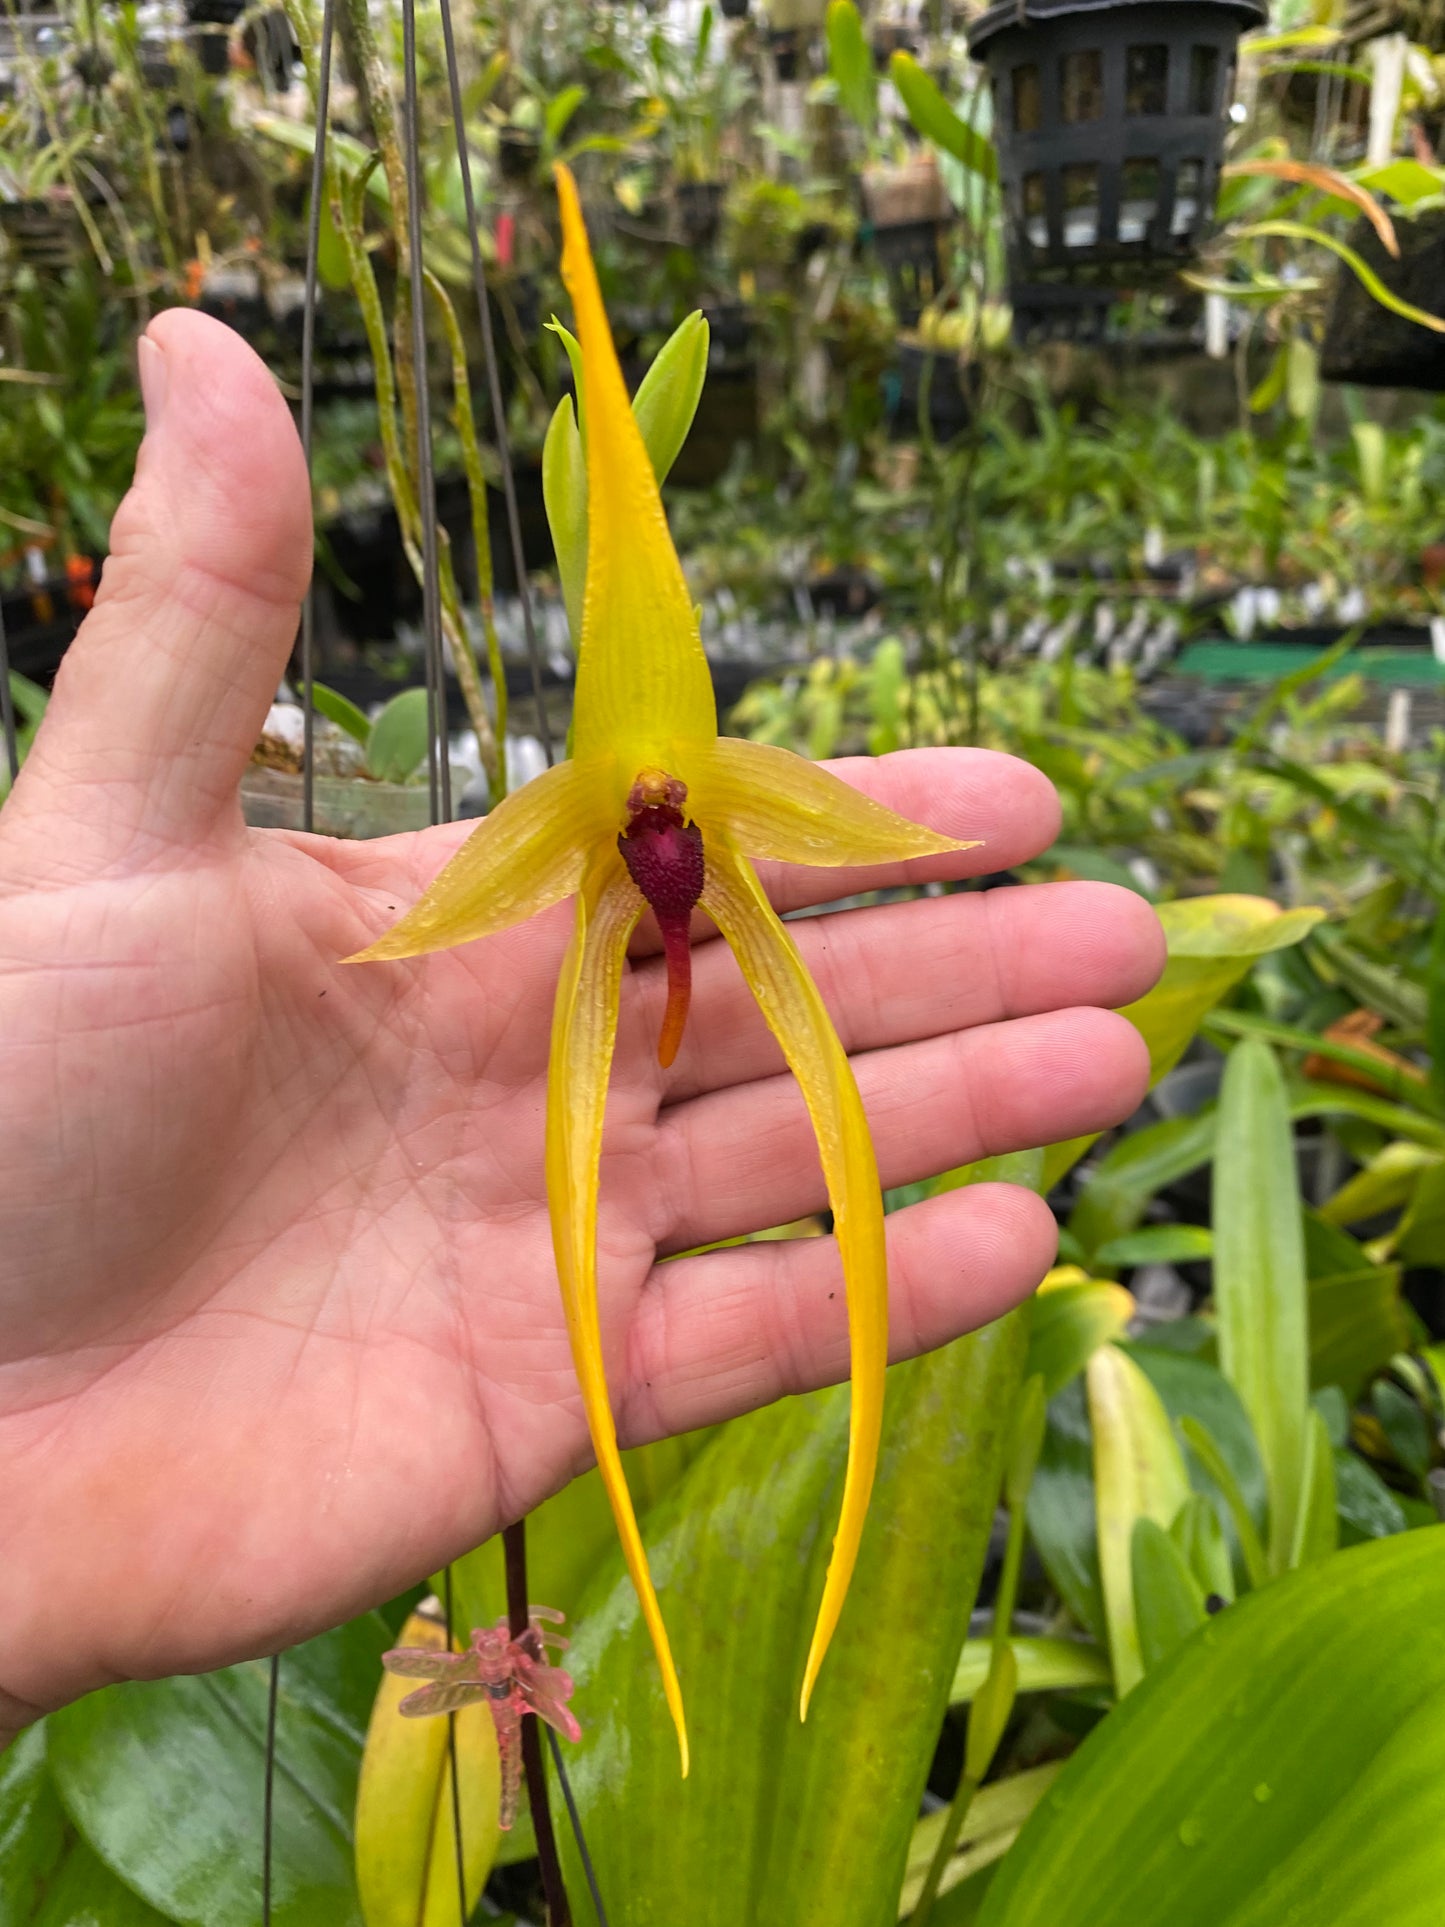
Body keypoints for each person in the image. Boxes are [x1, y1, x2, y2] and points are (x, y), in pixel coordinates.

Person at [0, 311, 1164, 1746]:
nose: (660, 803)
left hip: (660, 897)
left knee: (849, 1170)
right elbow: (471, 899)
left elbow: (860, 826)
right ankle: (657, 1644)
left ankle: (764, 1576)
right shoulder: (589, 825)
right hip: (609, 917)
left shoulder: (688, 811)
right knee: (626, 1168)